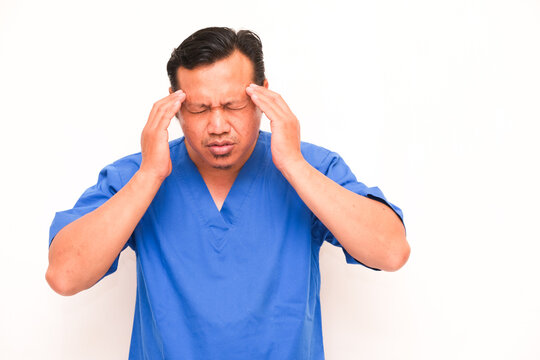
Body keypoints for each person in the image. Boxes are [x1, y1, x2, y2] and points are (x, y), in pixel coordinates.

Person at [46, 26, 410, 359]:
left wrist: (293, 165)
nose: (217, 126)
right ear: (174, 105)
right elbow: (65, 275)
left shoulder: (310, 167)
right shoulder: (139, 175)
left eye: (234, 105)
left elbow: (391, 251)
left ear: (264, 95)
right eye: (199, 109)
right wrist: (149, 176)